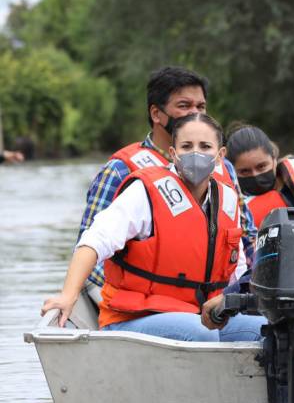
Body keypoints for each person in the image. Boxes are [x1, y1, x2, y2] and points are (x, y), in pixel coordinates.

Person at [41, 113, 267, 342]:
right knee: (199, 333)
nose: (195, 153)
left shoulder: (227, 201)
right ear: (173, 153)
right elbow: (93, 241)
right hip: (132, 319)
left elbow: (235, 270)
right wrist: (68, 296)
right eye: (186, 146)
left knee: (267, 329)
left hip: (198, 315)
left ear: (220, 156)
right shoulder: (145, 192)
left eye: (205, 146)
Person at [77, 66, 257, 293]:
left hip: (214, 301)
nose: (195, 113)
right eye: (184, 106)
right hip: (147, 303)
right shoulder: (120, 170)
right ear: (156, 114)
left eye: (200, 106)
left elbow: (248, 237)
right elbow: (91, 250)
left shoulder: (224, 168)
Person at [225, 123, 294, 227]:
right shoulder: (233, 209)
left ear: (274, 158)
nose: (255, 175)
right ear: (233, 171)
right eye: (245, 171)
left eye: (261, 166)